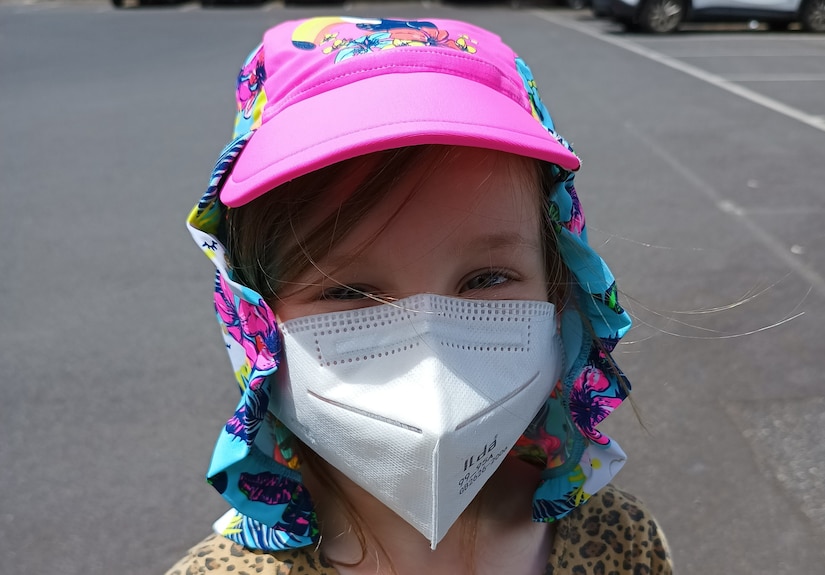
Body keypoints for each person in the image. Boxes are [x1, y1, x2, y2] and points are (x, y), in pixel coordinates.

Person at [168, 16, 672, 575]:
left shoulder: (622, 544)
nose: (433, 366)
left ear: (560, 292)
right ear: (252, 315)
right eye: (349, 291)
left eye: (485, 279)